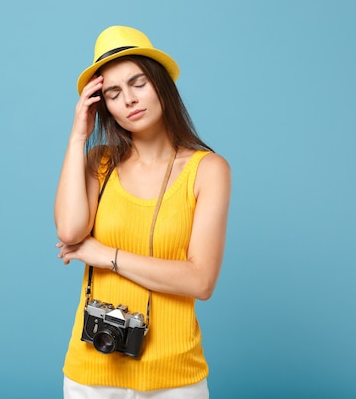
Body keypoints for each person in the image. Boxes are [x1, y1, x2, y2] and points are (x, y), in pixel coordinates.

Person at [54, 25, 231, 399]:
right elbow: (70, 232)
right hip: (92, 372)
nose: (129, 100)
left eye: (138, 83)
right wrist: (77, 137)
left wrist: (105, 255)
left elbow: (201, 281)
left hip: (174, 376)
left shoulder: (208, 169)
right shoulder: (99, 162)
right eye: (114, 94)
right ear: (105, 106)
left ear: (161, 85)